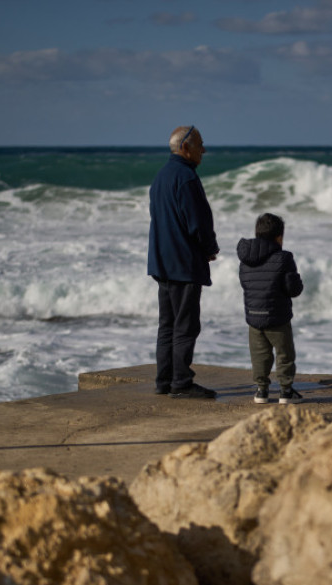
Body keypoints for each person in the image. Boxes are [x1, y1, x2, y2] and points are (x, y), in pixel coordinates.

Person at [147, 125, 220, 399]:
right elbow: (197, 223)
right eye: (200, 145)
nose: (204, 150)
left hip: (162, 262)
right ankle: (181, 383)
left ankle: (163, 381)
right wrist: (210, 248)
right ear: (185, 148)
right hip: (183, 263)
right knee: (186, 325)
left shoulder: (161, 177)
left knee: (167, 324)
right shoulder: (186, 178)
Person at [237, 212, 304, 404]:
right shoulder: (284, 258)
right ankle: (286, 391)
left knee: (259, 355)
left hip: (254, 317)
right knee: (284, 354)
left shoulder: (245, 260)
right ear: (279, 237)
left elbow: (246, 285)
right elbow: (293, 289)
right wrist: (297, 281)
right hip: (277, 317)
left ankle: (261, 391)